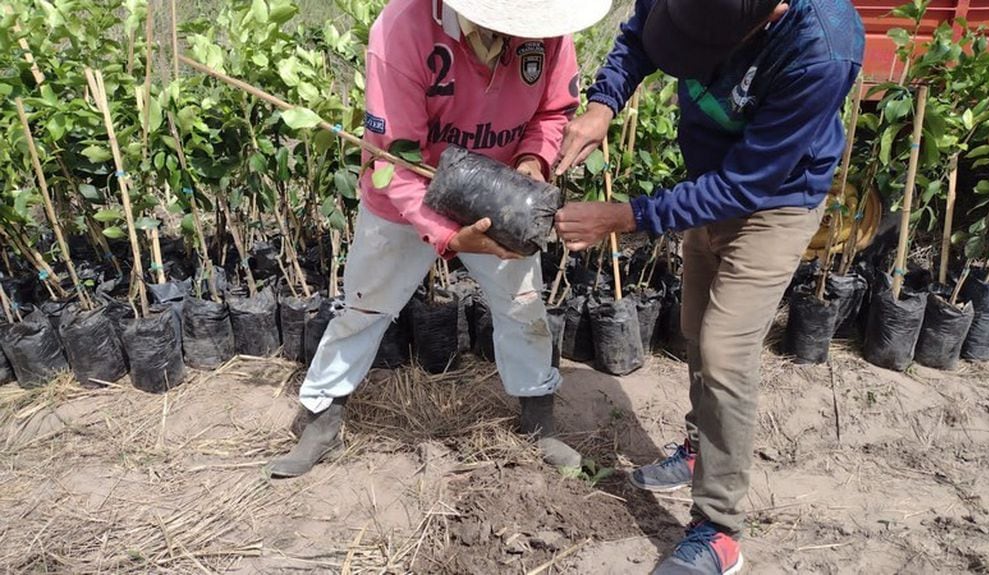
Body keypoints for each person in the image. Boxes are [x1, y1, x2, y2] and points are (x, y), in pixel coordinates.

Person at [553, 0, 864, 573]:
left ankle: (720, 530)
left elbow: (749, 183)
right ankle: (700, 449)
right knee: (696, 325)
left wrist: (626, 216)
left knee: (724, 350)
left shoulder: (823, 47)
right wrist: (603, 103)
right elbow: (639, 37)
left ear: (767, 15)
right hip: (707, 182)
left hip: (776, 198)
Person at [268, 0, 612, 479]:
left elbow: (554, 110)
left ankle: (539, 420)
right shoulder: (403, 29)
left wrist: (532, 162)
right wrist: (449, 236)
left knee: (523, 307)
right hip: (405, 196)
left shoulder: (548, 27)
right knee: (365, 306)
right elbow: (394, 158)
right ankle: (323, 418)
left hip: (500, 197)